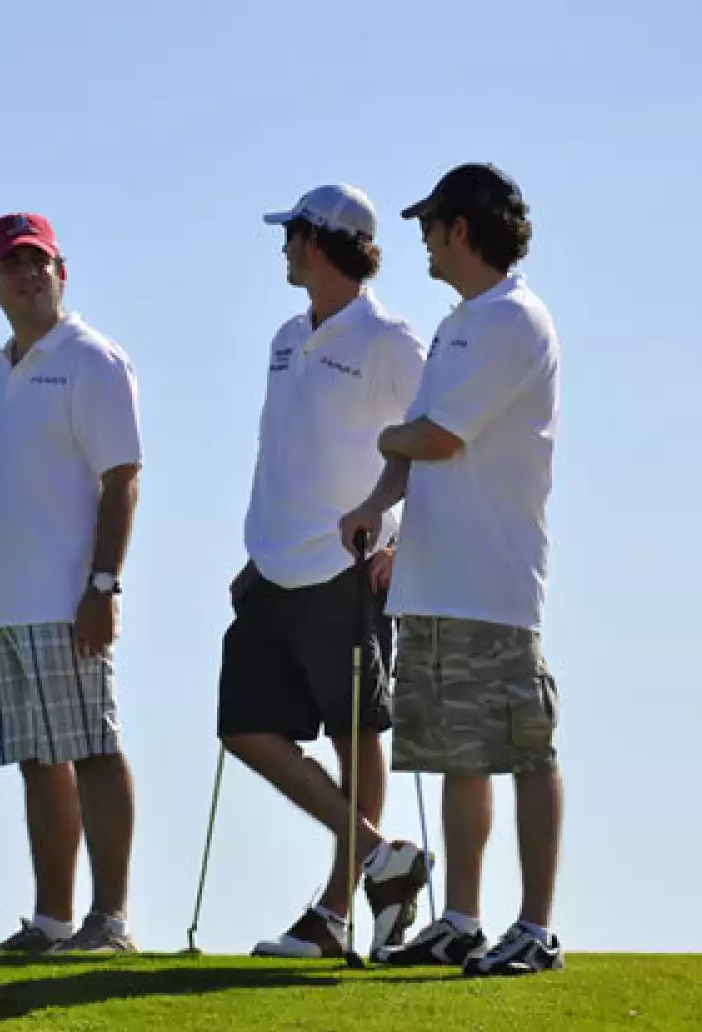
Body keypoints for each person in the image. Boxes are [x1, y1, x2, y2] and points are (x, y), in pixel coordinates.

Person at [340, 163, 566, 976]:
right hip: (434, 579)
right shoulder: (458, 325)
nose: (424, 241)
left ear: (460, 230)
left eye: (430, 226)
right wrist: (376, 502)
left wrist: (390, 442)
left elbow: (433, 436)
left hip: (493, 582)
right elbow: (418, 439)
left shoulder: (513, 318)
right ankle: (463, 919)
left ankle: (535, 928)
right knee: (457, 756)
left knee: (525, 751)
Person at [220, 184, 432, 962]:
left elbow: (434, 443)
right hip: (271, 569)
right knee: (242, 725)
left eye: (292, 236)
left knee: (354, 731)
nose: (284, 248)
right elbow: (283, 454)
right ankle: (381, 854)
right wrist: (256, 552)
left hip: (346, 566)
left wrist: (399, 535)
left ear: (320, 243)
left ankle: (338, 910)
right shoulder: (285, 336)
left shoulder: (390, 340)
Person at [0, 212, 142, 954]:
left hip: (68, 597)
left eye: (40, 261)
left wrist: (104, 583)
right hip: (1, 604)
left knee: (92, 745)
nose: (29, 274)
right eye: (13, 264)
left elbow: (123, 478)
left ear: (63, 272)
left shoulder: (93, 358)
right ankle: (53, 920)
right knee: (37, 756)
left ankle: (110, 919)